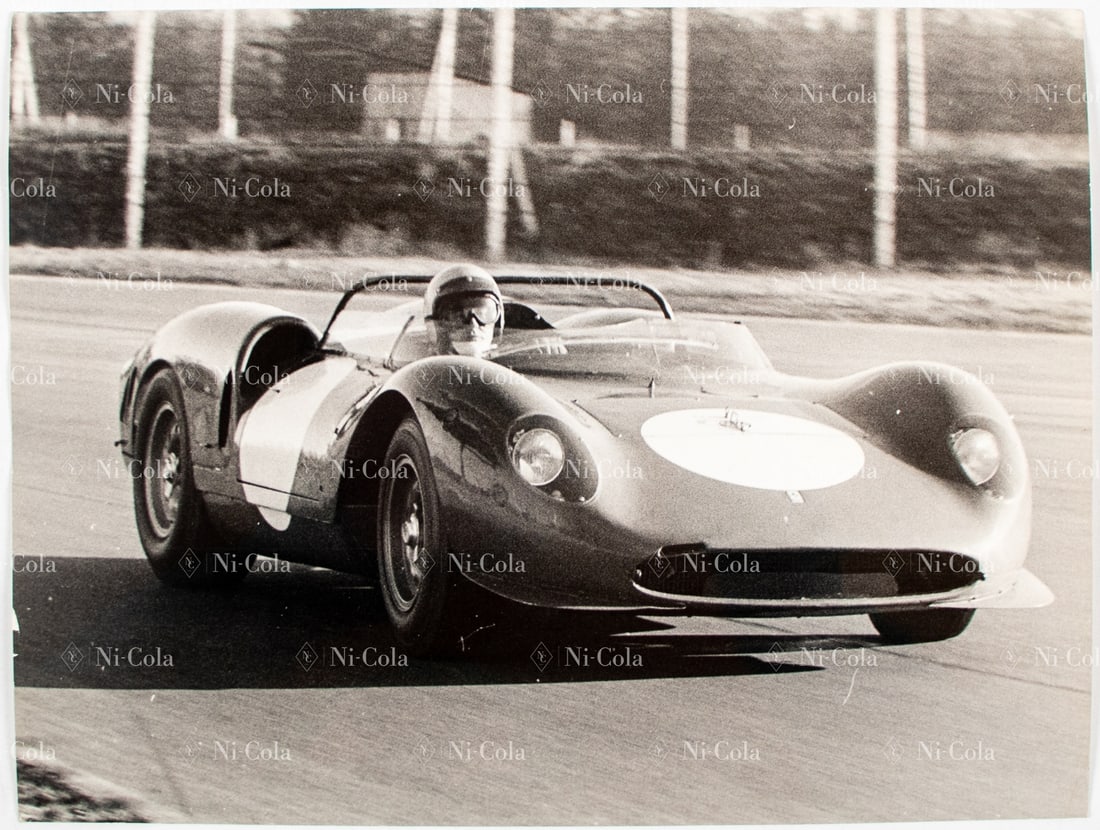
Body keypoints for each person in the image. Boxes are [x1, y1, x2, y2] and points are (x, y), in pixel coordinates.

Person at [423, 264, 504, 358]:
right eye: (458, 316)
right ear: (436, 324)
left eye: (483, 313)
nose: (473, 324)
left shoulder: (512, 369)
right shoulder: (417, 370)